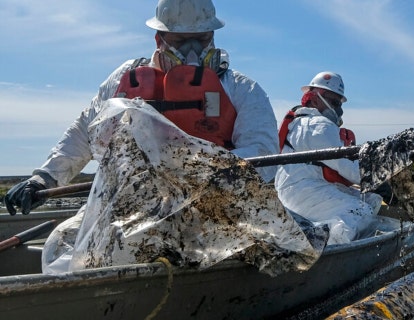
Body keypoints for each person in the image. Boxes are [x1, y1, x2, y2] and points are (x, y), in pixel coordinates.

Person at [4, 0, 279, 216]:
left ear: (213, 36)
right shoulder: (126, 79)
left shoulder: (242, 90)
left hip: (213, 206)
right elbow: (84, 132)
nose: (193, 51)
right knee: (63, 252)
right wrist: (45, 179)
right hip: (129, 206)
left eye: (202, 39)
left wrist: (195, 175)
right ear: (159, 39)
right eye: (181, 42)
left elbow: (262, 155)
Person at [275, 71, 382, 245]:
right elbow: (350, 170)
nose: (338, 109)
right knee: (361, 210)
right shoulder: (319, 126)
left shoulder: (298, 122)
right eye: (334, 102)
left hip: (295, 189)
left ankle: (327, 232)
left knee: (371, 199)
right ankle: (330, 246)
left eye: (339, 103)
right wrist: (381, 178)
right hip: (305, 192)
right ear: (315, 98)